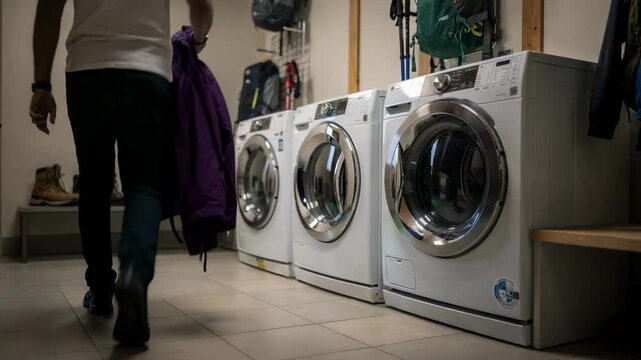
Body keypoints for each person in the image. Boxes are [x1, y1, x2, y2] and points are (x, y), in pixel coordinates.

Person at [29, 0, 213, 345]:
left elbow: (49, 7)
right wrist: (198, 40)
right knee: (144, 186)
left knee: (95, 186)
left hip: (86, 72)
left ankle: (100, 290)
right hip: (147, 72)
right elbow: (201, 5)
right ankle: (134, 276)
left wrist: (41, 84)